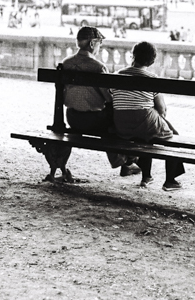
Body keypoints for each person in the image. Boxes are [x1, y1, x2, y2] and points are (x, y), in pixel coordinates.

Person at [61, 27, 140, 176]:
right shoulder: (97, 67)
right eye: (99, 43)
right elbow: (109, 97)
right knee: (117, 118)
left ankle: (125, 162)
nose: (100, 46)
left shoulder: (65, 63)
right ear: (92, 44)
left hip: (72, 118)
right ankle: (126, 162)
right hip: (94, 121)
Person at [111, 41, 185, 191]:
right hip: (145, 123)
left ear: (133, 56)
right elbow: (162, 109)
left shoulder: (117, 75)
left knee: (145, 135)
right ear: (151, 61)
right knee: (172, 136)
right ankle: (170, 181)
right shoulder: (151, 78)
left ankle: (147, 177)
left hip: (122, 125)